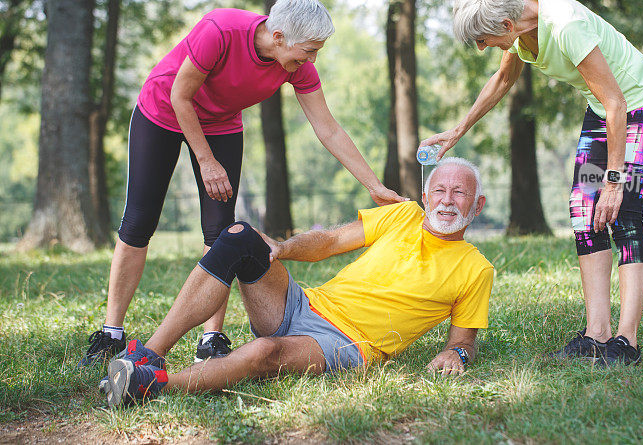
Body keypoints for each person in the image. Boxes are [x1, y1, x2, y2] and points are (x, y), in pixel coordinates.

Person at [80, 0, 406, 368]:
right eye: (310, 50)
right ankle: (111, 333)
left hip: (221, 123)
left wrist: (373, 185)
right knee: (138, 221)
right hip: (163, 110)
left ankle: (211, 336)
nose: (312, 59)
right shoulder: (219, 30)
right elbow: (180, 96)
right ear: (280, 36)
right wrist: (206, 162)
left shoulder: (297, 66)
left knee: (219, 231)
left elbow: (327, 128)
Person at [420, 0, 643, 366]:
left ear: (505, 25)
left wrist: (614, 180)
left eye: (484, 40)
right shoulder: (520, 29)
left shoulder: (566, 27)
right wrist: (458, 129)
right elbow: (504, 78)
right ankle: (596, 334)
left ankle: (627, 342)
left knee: (622, 210)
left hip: (638, 107)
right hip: (603, 109)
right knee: (583, 211)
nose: (484, 48)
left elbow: (618, 103)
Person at [100, 158, 494, 407]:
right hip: (301, 304)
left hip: (347, 343)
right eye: (439, 190)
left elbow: (463, 341)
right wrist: (283, 248)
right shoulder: (404, 214)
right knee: (239, 235)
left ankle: (152, 385)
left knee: (264, 352)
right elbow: (330, 240)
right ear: (425, 195)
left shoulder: (476, 269)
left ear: (476, 205)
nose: (446, 200)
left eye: (459, 192)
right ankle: (148, 354)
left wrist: (456, 356)